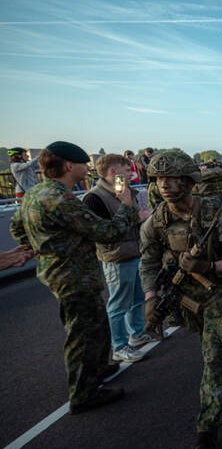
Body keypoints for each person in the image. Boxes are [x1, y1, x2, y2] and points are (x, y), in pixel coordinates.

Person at [9, 141, 139, 414]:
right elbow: (107, 233)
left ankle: (97, 369)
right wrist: (127, 207)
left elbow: (16, 226)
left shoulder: (35, 194)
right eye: (83, 164)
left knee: (96, 324)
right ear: (69, 166)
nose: (87, 168)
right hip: (74, 276)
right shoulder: (62, 199)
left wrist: (40, 248)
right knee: (82, 332)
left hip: (60, 272)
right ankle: (83, 394)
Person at [139, 150, 222, 449]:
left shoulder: (216, 215)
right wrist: (150, 298)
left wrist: (210, 268)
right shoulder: (156, 221)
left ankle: (207, 427)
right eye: (160, 179)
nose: (164, 185)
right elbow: (147, 262)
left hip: (217, 292)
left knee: (212, 354)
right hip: (186, 298)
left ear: (188, 181)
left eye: (171, 178)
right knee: (208, 341)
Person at [83, 154, 153, 364]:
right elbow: (105, 232)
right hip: (116, 257)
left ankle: (136, 334)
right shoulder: (94, 198)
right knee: (119, 303)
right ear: (112, 171)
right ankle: (119, 345)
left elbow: (131, 220)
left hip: (133, 251)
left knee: (136, 298)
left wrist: (140, 216)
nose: (130, 173)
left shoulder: (123, 192)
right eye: (125, 170)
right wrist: (134, 215)